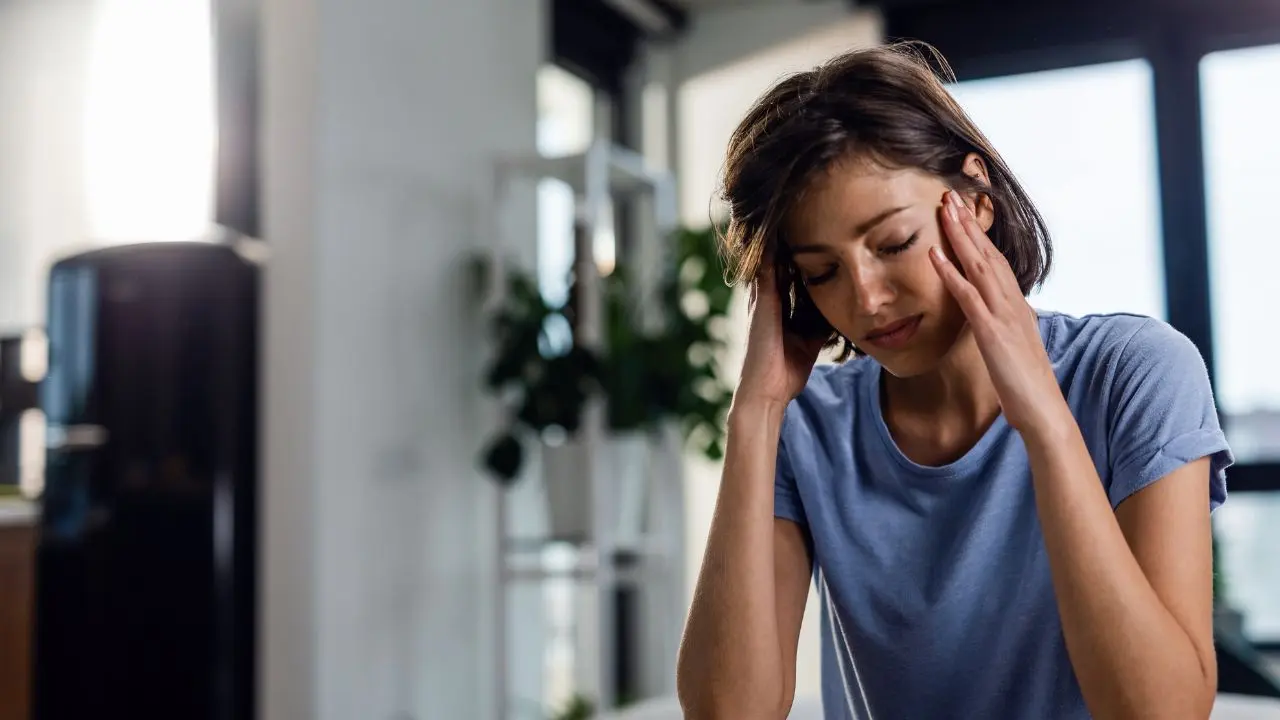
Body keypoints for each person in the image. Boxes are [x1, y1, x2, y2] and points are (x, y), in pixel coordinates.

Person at [674, 42, 1233, 720]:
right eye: (822, 272)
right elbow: (728, 713)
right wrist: (755, 416)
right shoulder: (806, 427)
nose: (867, 299)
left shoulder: (1136, 372)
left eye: (893, 244)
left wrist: (1044, 422)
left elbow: (1163, 713)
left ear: (975, 197)